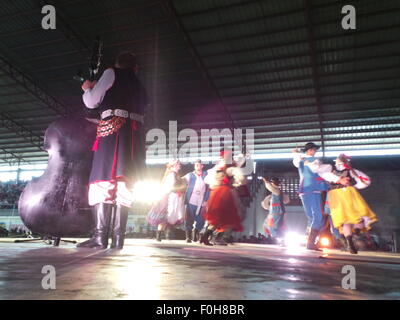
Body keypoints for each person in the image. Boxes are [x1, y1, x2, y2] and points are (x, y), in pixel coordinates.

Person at [77, 52, 147, 249]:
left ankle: (100, 238)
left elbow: (91, 102)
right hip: (135, 135)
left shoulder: (111, 73)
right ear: (136, 68)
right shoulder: (140, 86)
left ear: (118, 64)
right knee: (125, 183)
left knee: (103, 179)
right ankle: (118, 239)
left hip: (113, 131)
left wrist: (87, 89)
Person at [305, 154, 378, 254]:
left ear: (337, 161)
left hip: (335, 195)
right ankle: (355, 233)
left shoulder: (330, 168)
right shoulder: (352, 171)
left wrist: (310, 163)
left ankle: (350, 244)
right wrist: (354, 186)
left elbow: (318, 170)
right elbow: (366, 181)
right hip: (349, 193)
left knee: (345, 221)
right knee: (359, 217)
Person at [292, 142, 344, 251]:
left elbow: (321, 172)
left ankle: (311, 242)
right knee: (318, 217)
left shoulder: (303, 160)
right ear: (308, 150)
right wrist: (335, 175)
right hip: (312, 189)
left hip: (306, 190)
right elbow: (320, 171)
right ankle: (310, 243)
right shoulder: (309, 161)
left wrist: (296, 154)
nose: (314, 151)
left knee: (314, 218)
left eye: (314, 149)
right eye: (313, 149)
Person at [201, 150, 245, 246]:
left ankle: (206, 236)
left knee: (218, 218)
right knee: (228, 217)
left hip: (217, 193)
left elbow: (207, 179)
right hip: (225, 194)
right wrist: (236, 183)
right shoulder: (229, 167)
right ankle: (216, 237)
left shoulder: (219, 166)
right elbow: (240, 178)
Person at [147, 160, 187, 241]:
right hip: (170, 198)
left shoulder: (175, 174)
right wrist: (179, 189)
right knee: (165, 217)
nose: (180, 165)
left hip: (174, 197)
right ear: (173, 165)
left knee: (169, 217)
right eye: (178, 164)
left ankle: (165, 234)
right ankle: (160, 235)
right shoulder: (172, 174)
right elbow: (169, 187)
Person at [183, 160, 210, 243]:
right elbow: (181, 180)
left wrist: (206, 200)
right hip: (191, 200)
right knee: (189, 218)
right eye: (196, 165)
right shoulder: (190, 175)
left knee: (201, 220)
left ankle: (196, 233)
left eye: (199, 165)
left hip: (202, 200)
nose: (197, 166)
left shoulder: (206, 174)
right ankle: (188, 237)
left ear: (202, 166)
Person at [261, 177, 289, 242]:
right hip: (275, 211)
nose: (272, 184)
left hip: (276, 211)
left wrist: (266, 182)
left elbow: (270, 187)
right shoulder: (276, 192)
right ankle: (282, 239)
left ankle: (282, 239)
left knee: (273, 226)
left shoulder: (276, 191)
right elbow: (286, 201)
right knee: (271, 225)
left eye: (272, 182)